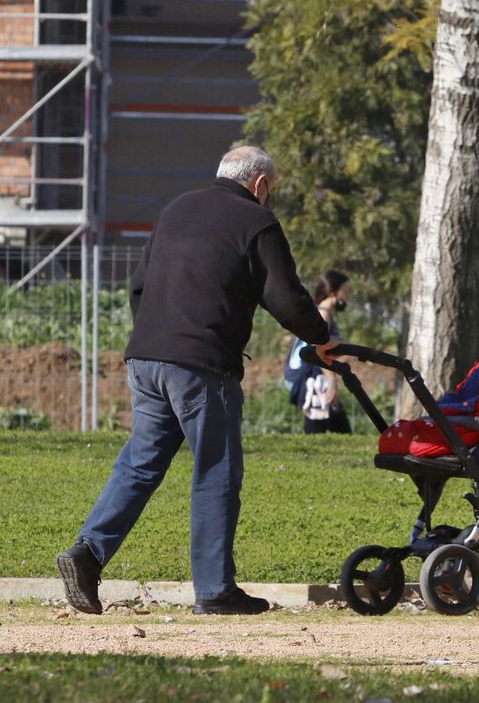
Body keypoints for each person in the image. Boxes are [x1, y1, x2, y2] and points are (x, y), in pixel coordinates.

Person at [56, 145, 337, 616]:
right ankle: (214, 590)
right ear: (261, 184)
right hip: (202, 365)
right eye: (272, 190)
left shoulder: (176, 209)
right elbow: (285, 298)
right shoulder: (257, 222)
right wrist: (321, 336)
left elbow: (139, 287)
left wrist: (157, 343)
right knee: (216, 470)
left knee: (140, 465)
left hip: (146, 357)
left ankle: (87, 554)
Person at [283, 270, 352, 434]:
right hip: (315, 378)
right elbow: (320, 351)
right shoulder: (324, 313)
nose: (348, 297)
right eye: (346, 291)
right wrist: (332, 382)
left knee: (336, 422)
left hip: (318, 376)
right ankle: (308, 454)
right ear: (333, 291)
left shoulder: (319, 311)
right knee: (319, 422)